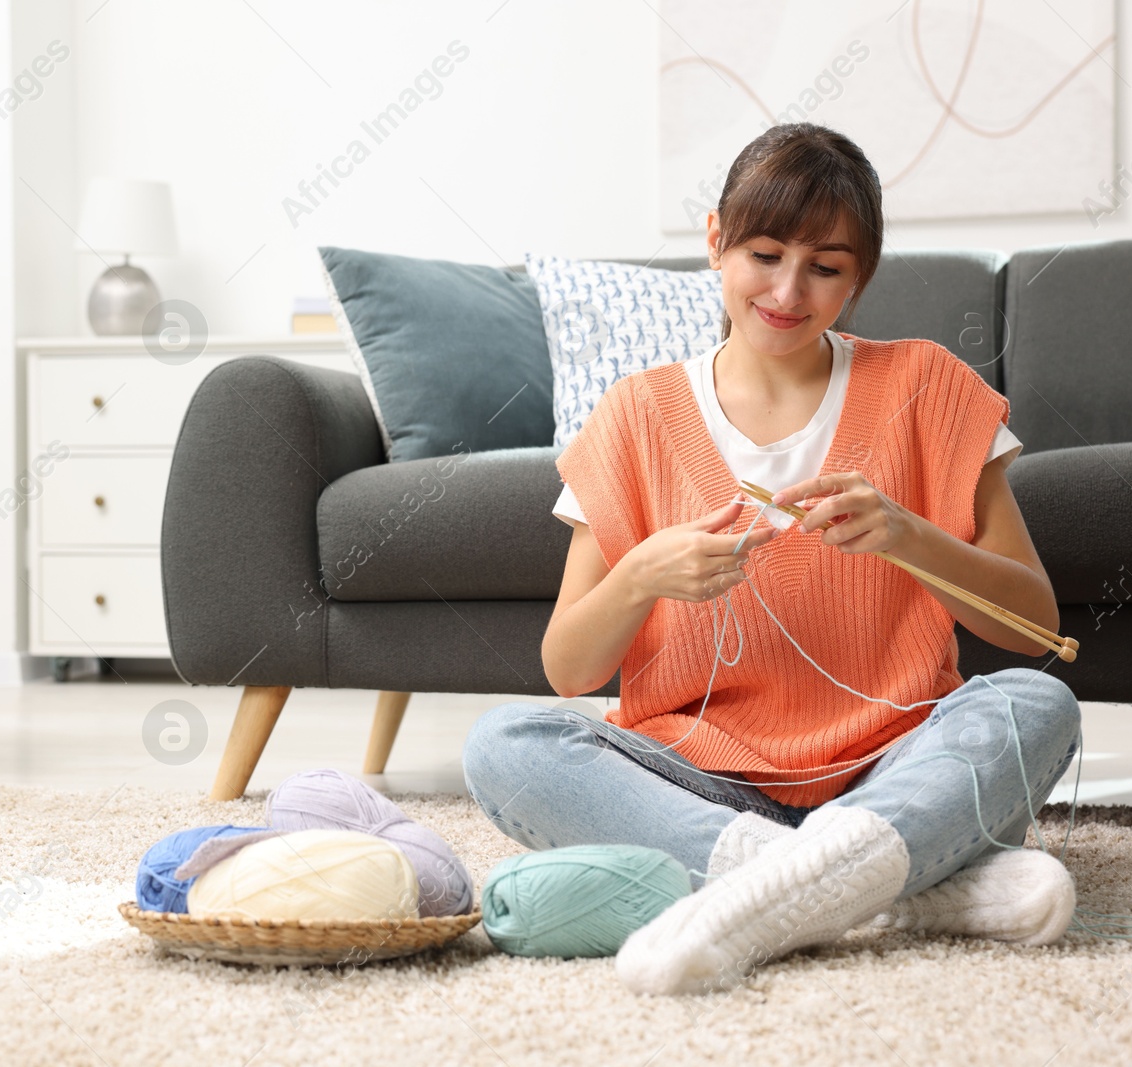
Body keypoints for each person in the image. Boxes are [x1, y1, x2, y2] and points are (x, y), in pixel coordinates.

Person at [460, 123, 1083, 996]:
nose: (789, 291)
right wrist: (642, 574)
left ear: (858, 277)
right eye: (764, 253)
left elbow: (1034, 627)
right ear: (715, 240)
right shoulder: (637, 414)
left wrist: (907, 534)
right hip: (700, 788)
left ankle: (788, 880)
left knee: (1034, 703)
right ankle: (879, 884)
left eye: (826, 268)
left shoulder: (926, 386)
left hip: (890, 768)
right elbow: (570, 670)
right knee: (503, 743)